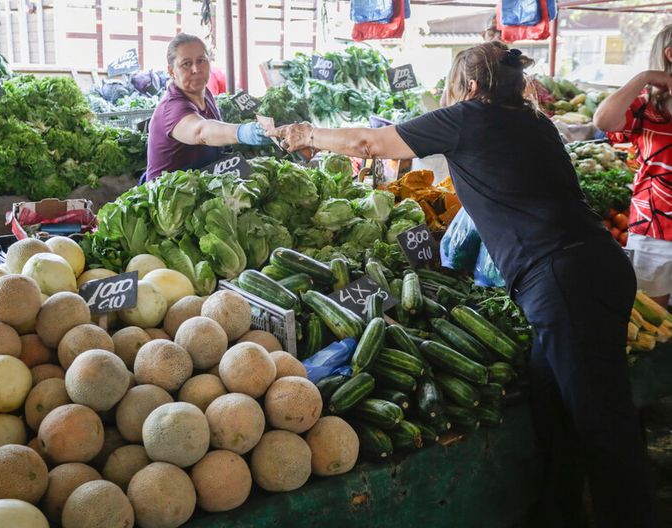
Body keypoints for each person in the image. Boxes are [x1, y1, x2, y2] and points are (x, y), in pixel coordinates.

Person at [271, 41, 655, 528]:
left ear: (471, 86)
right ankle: (559, 510)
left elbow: (370, 144)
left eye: (454, 85)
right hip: (592, 267)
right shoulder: (532, 120)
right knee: (551, 400)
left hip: (562, 280)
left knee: (602, 423)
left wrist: (308, 133)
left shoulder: (469, 116)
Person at [594, 24, 672, 308]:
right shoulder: (646, 108)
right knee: (653, 317)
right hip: (656, 226)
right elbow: (602, 121)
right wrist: (644, 78)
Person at [141, 33, 270, 183]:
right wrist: (243, 132)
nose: (196, 69)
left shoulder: (205, 93)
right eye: (186, 64)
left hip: (200, 182)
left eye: (201, 61)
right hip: (169, 197)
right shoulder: (172, 108)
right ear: (171, 71)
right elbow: (201, 131)